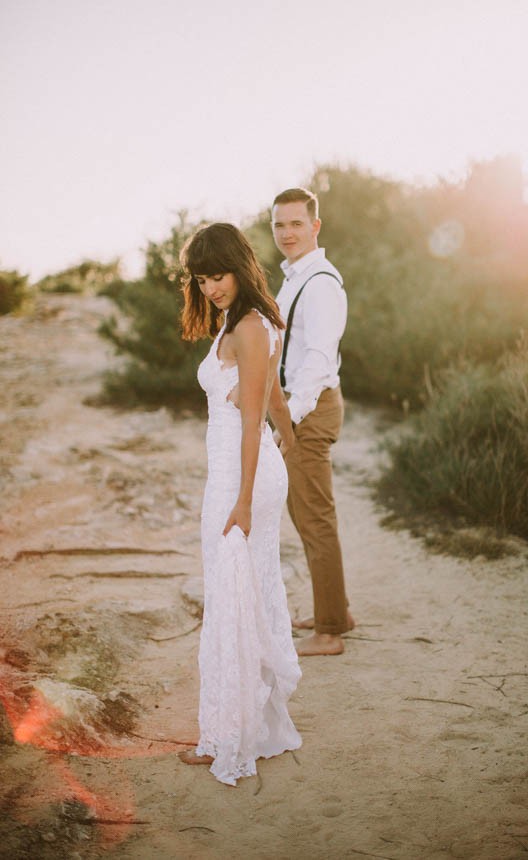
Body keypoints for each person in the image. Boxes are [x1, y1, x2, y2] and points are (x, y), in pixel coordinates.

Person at [177, 222, 301, 786]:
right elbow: (272, 394)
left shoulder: (250, 325)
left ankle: (226, 738)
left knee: (231, 600)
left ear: (240, 266)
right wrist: (290, 435)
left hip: (238, 479)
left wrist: (246, 500)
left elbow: (252, 417)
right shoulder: (243, 319)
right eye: (201, 279)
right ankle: (242, 725)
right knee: (240, 595)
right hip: (237, 471)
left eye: (218, 275)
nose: (210, 288)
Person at [271, 188, 354, 657]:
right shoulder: (296, 276)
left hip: (310, 406)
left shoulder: (319, 282)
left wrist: (290, 421)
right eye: (279, 225)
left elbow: (319, 359)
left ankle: (328, 633)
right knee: (305, 513)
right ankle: (335, 611)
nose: (287, 233)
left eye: (296, 224)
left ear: (315, 226)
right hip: (301, 404)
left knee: (315, 517)